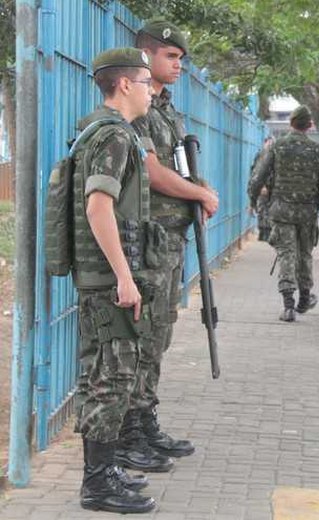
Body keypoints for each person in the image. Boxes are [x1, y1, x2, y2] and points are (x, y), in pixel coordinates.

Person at [115, 18, 219, 472]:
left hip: (170, 239)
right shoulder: (135, 106)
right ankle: (126, 434)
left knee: (159, 335)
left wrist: (199, 187)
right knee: (139, 338)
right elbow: (152, 171)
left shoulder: (166, 109)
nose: (179, 65)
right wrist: (198, 193)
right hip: (146, 239)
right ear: (148, 55)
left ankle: (145, 421)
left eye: (180, 59)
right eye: (171, 57)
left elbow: (178, 165)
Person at [71, 48, 161, 514]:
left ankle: (102, 471)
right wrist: (126, 278)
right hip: (109, 280)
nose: (151, 91)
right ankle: (98, 484)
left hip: (100, 278)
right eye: (146, 82)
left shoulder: (103, 132)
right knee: (112, 377)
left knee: (101, 375)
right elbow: (97, 206)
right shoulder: (115, 137)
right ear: (124, 85)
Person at [248, 105, 319, 322]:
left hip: (281, 210)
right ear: (310, 125)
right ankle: (304, 299)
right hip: (307, 212)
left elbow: (258, 178)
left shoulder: (277, 147)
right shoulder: (318, 151)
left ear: (291, 123)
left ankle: (288, 306)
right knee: (305, 254)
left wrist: (252, 199)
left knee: (286, 253)